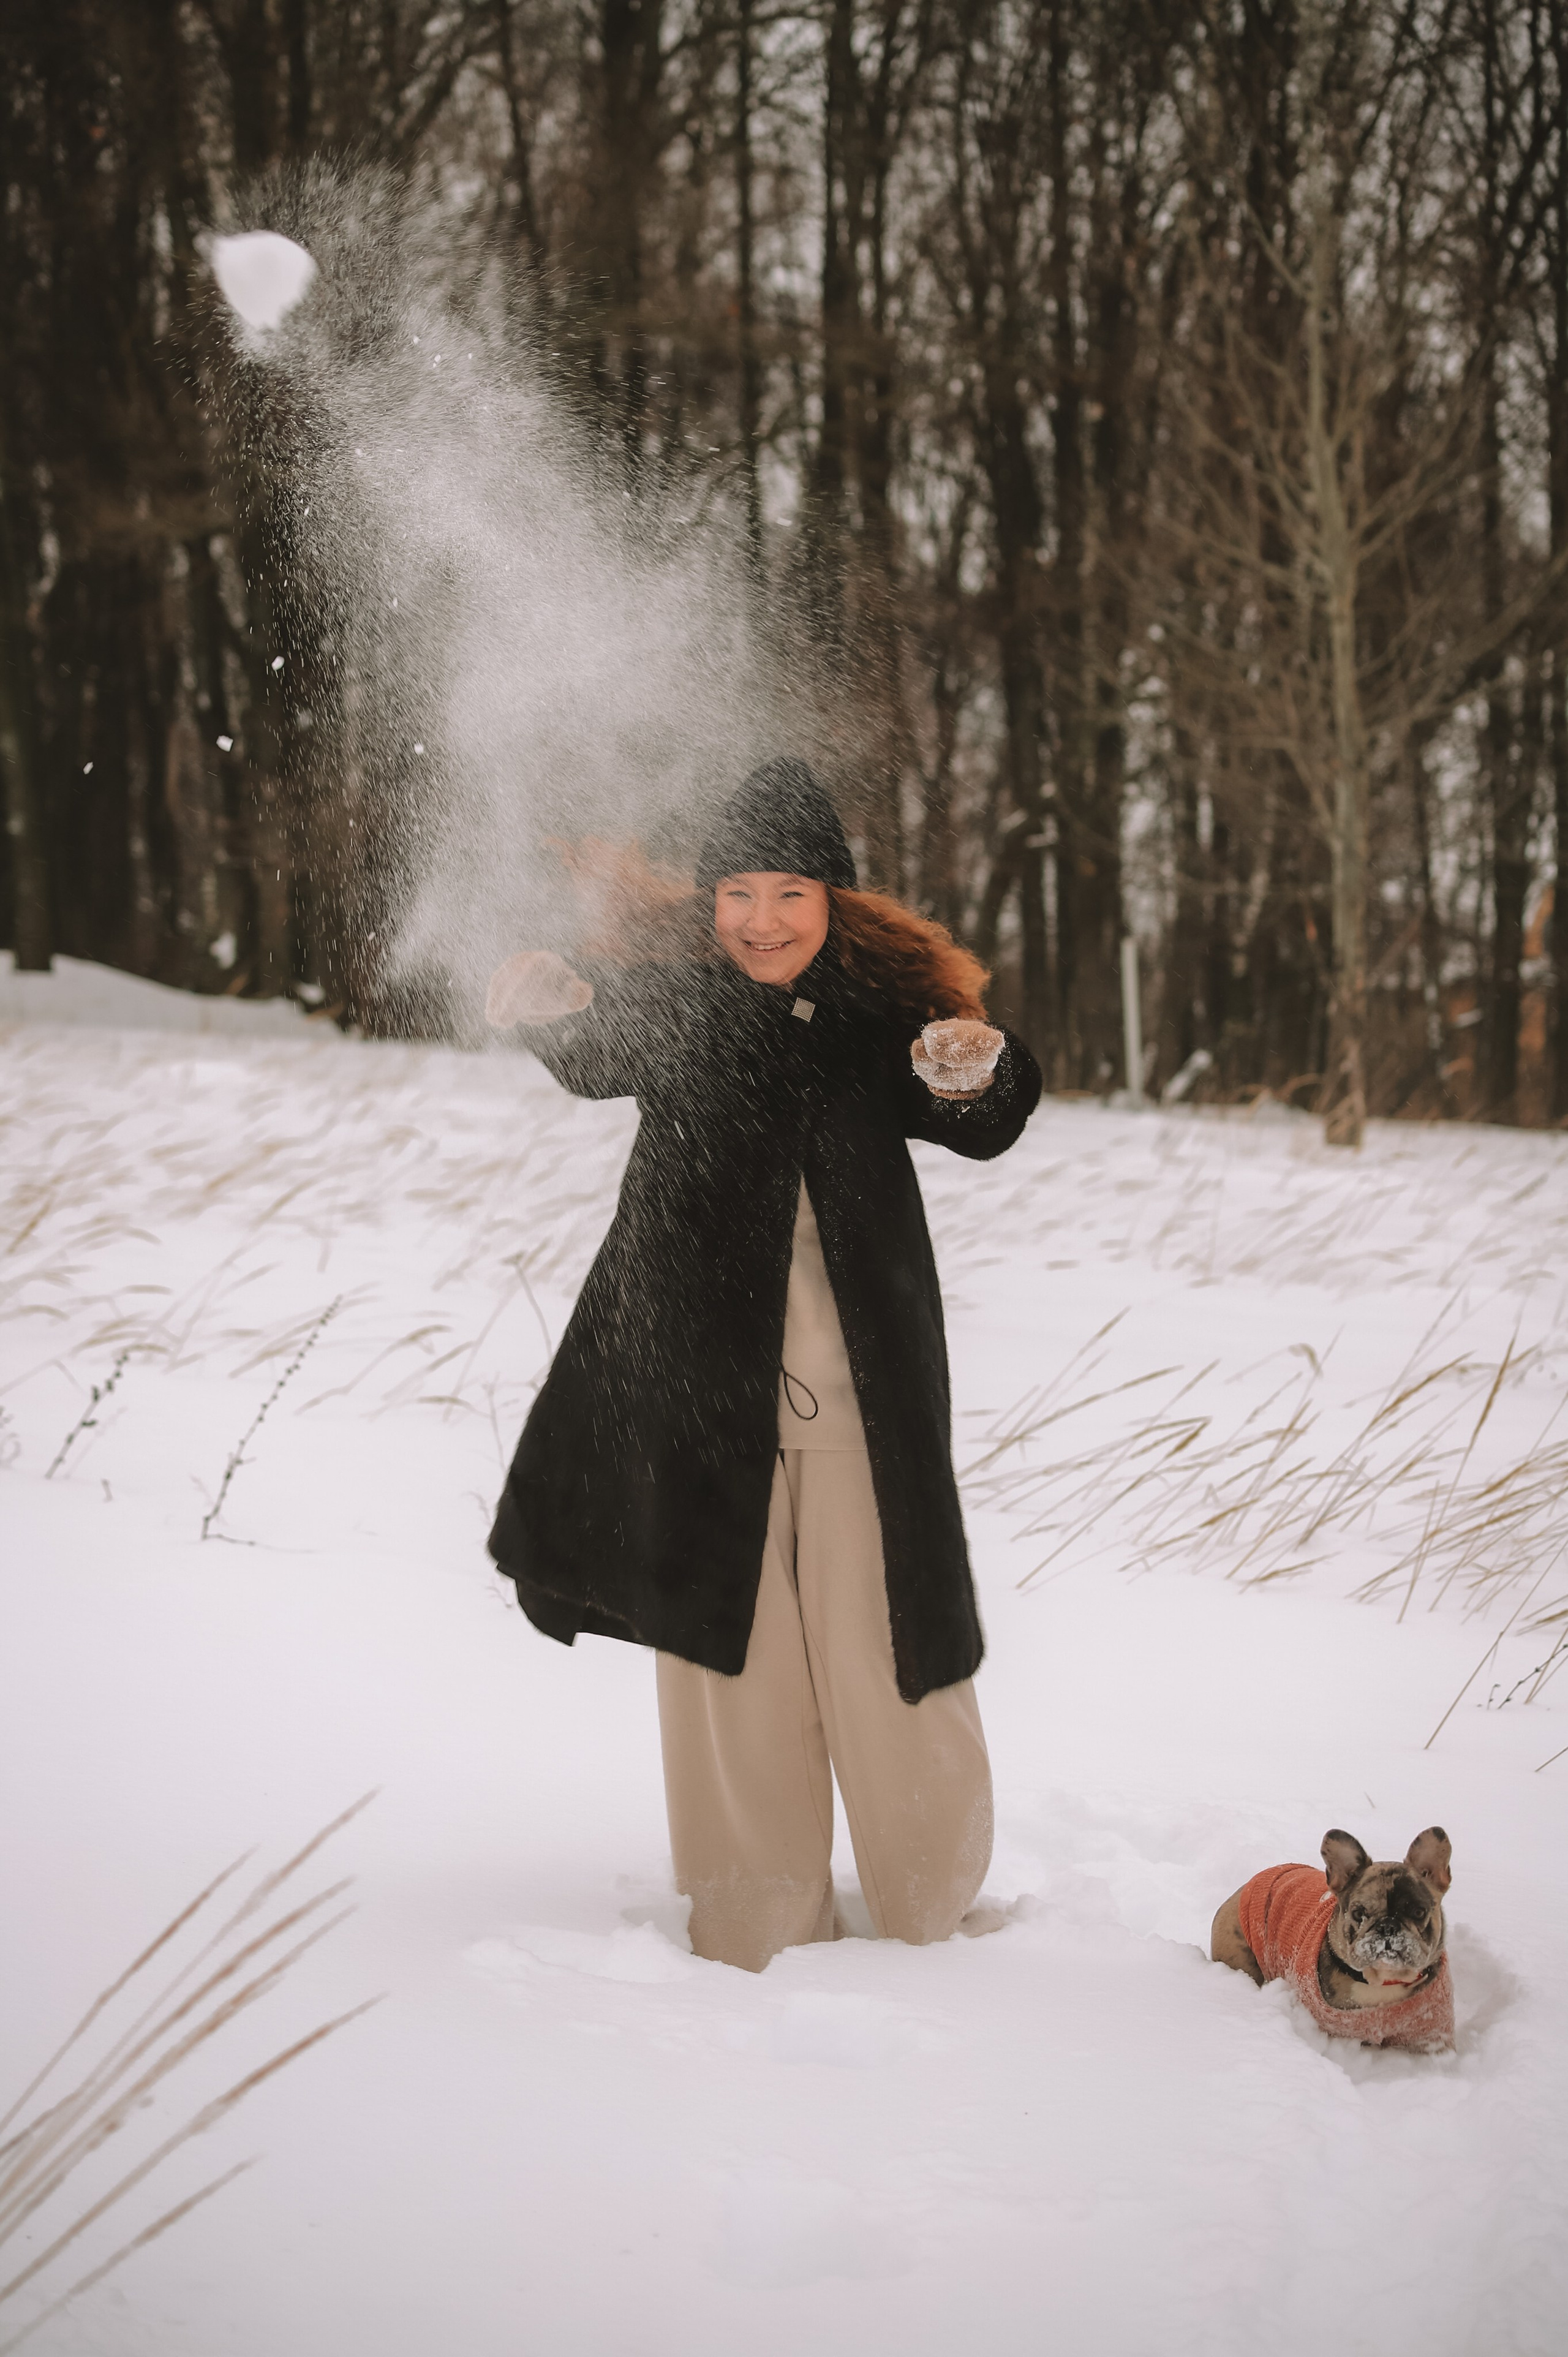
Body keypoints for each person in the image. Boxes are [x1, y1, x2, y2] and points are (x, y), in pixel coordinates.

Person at [484, 758, 1042, 1970]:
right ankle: (751, 1926)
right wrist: (541, 1003)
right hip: (705, 1411)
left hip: (855, 1405)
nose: (760, 919)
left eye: (787, 891)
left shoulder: (872, 1019)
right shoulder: (676, 1005)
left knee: (887, 1653)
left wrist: (977, 1068)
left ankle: (933, 1920)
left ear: (831, 898)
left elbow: (981, 1101)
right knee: (728, 1677)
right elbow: (589, 1044)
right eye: (738, 891)